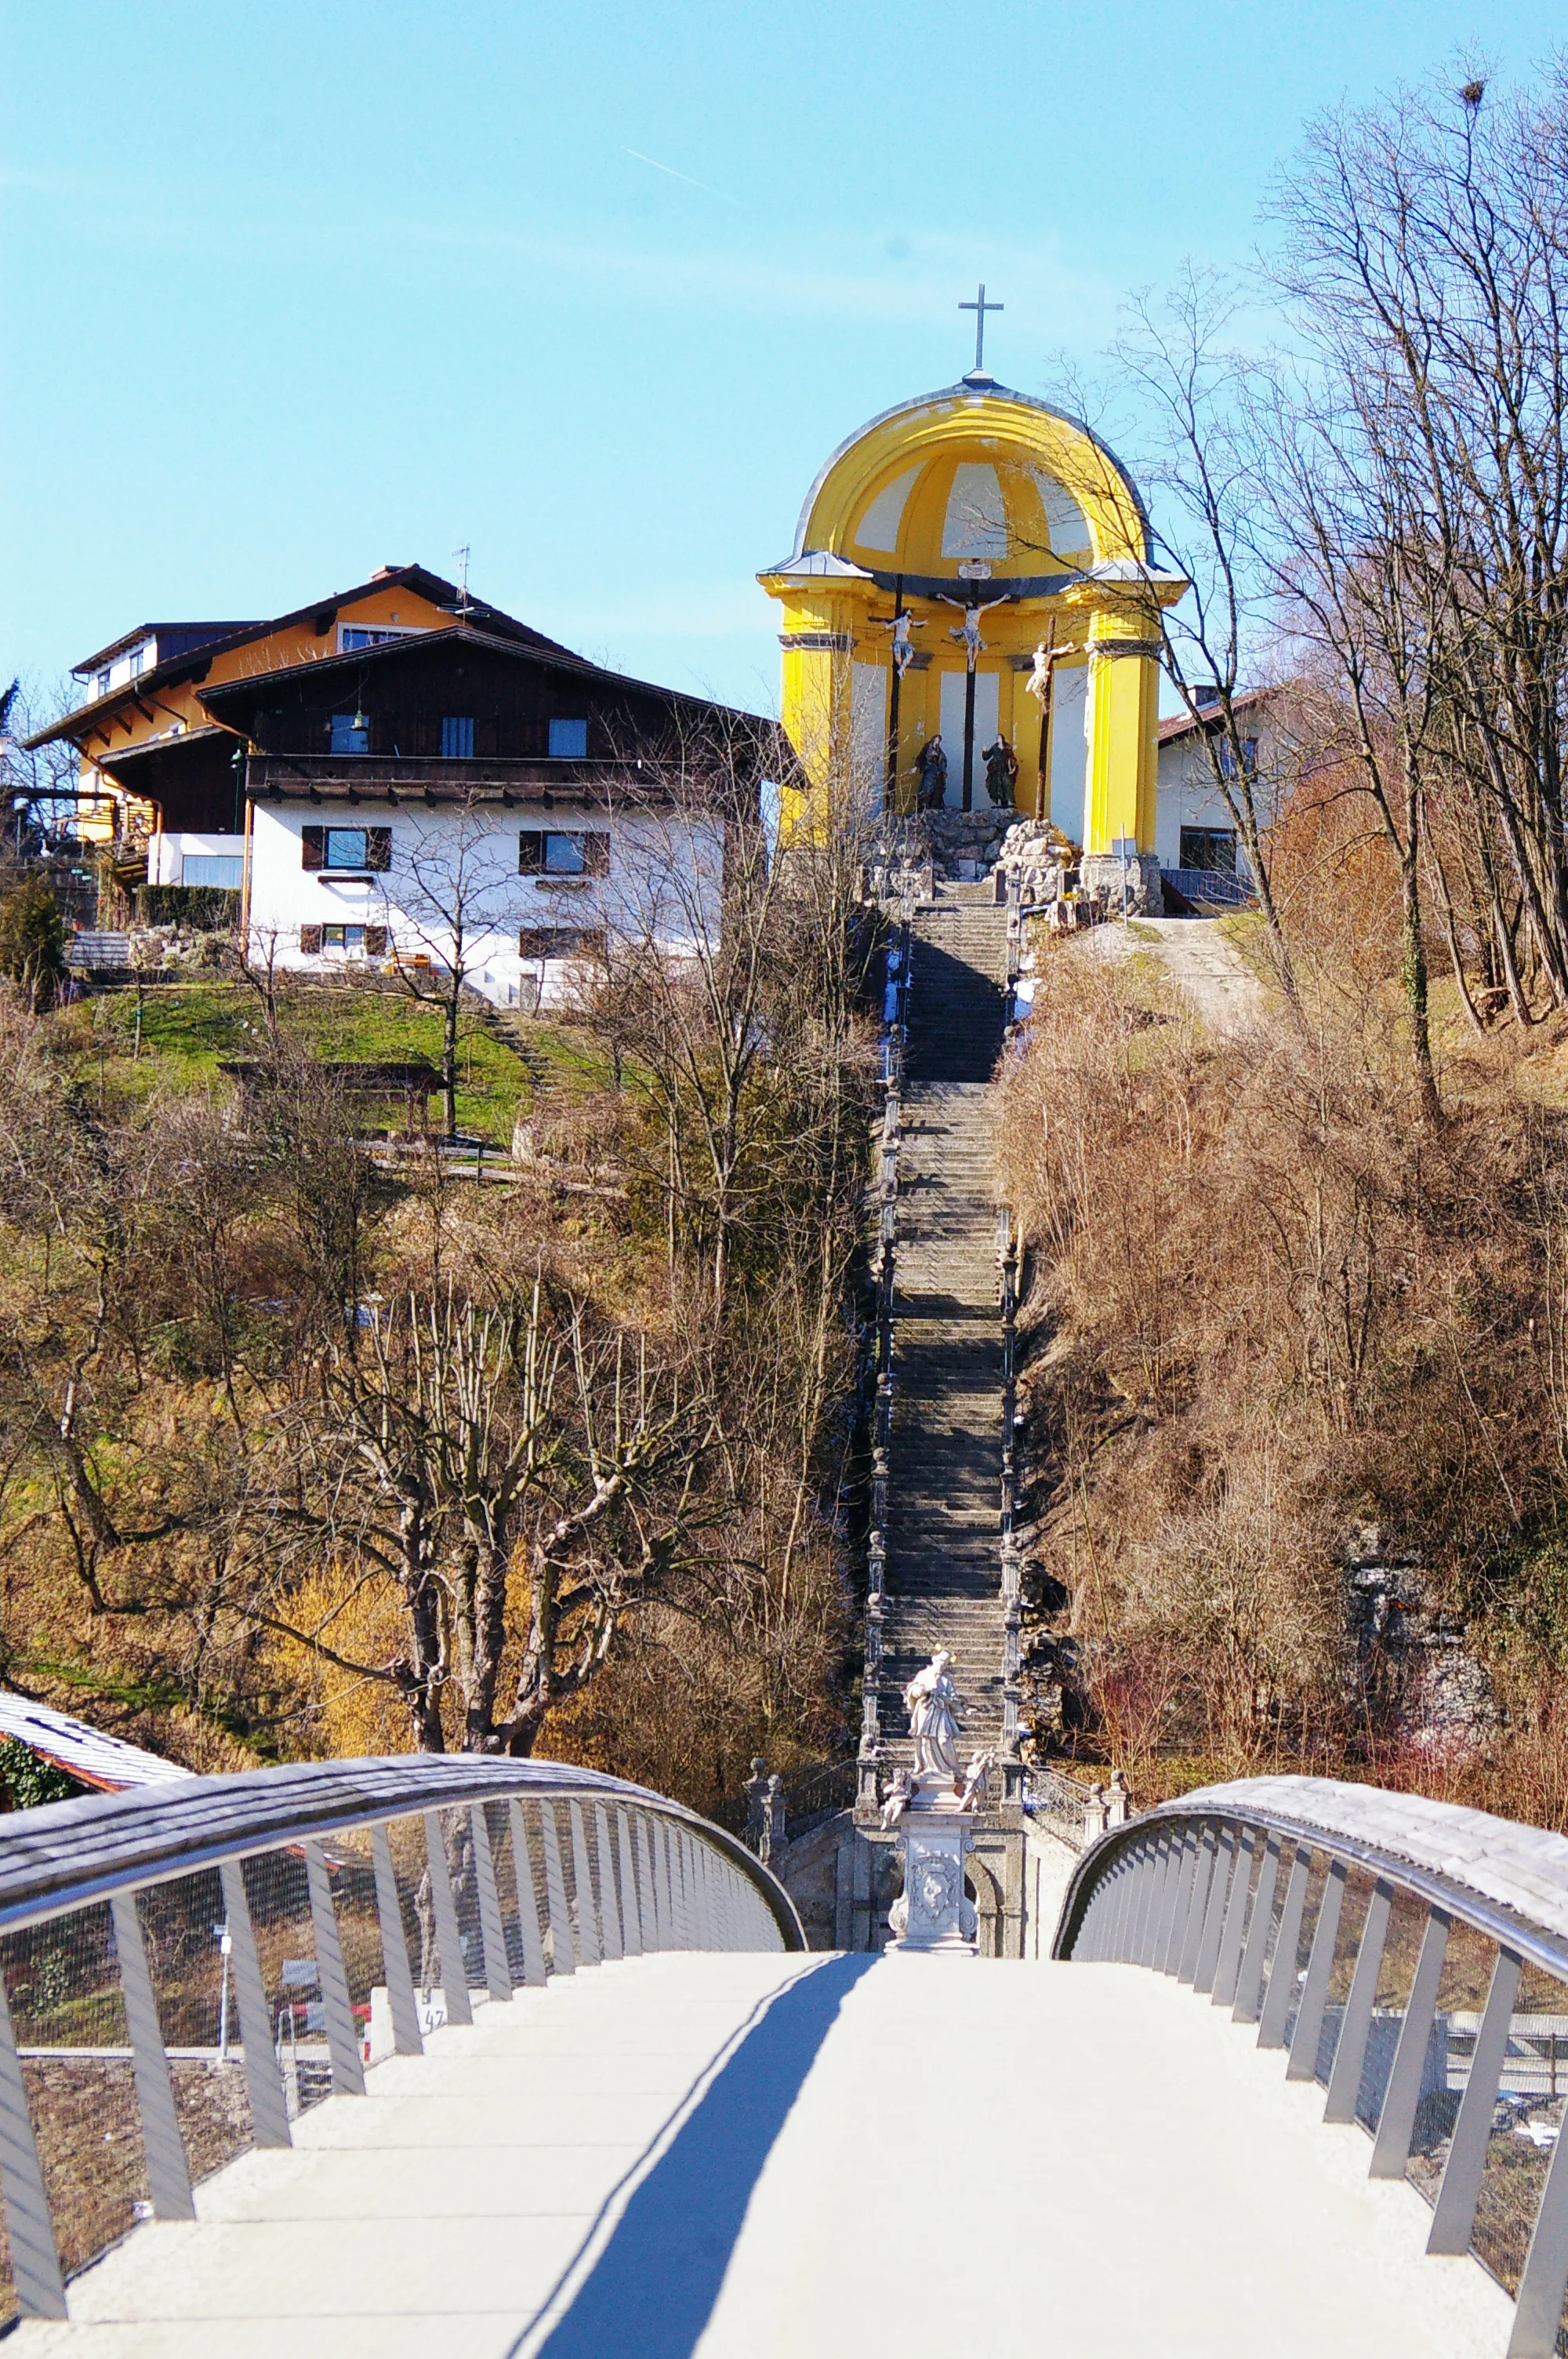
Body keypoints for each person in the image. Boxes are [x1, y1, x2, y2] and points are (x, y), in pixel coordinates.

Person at [903, 1648, 961, 1783]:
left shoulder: (947, 1679)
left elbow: (953, 1697)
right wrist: (919, 1692)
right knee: (926, 1741)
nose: (943, 1665)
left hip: (941, 1713)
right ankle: (928, 1769)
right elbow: (911, 1690)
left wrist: (950, 1700)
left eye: (946, 1663)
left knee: (944, 1741)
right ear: (935, 1660)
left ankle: (949, 1769)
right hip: (925, 1712)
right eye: (941, 1661)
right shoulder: (924, 1674)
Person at [982, 733, 1018, 807]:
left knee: (1007, 785)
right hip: (996, 770)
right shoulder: (994, 748)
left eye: (1000, 738)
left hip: (1005, 769)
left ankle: (1009, 801)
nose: (998, 739)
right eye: (997, 738)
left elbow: (1013, 758)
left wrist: (1012, 764)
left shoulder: (1008, 748)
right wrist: (984, 752)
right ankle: (998, 802)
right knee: (996, 786)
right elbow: (986, 757)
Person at [915, 735, 948, 811]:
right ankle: (924, 805)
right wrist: (917, 766)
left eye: (938, 741)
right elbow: (921, 757)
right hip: (929, 772)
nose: (937, 742)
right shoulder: (927, 748)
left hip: (937, 774)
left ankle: (935, 805)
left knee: (937, 789)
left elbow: (943, 760)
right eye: (936, 740)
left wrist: (942, 769)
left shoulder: (939, 750)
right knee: (927, 789)